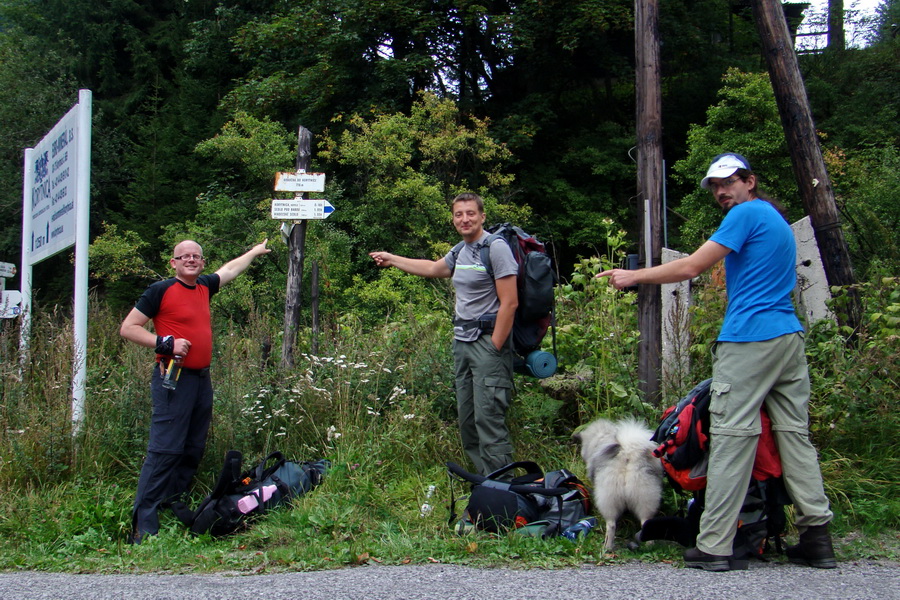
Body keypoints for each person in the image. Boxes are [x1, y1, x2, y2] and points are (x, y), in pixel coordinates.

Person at [597, 153, 835, 571]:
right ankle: (818, 535)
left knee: (730, 438)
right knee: (793, 437)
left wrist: (633, 276)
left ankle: (715, 545)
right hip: (789, 339)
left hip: (750, 340)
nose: (723, 191)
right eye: (716, 186)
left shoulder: (746, 215)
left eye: (730, 182)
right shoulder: (777, 222)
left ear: (750, 182)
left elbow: (692, 265)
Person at [120, 238, 271, 543]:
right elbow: (129, 327)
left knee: (192, 447)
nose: (190, 260)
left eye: (196, 256)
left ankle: (172, 503)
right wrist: (166, 343)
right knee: (165, 450)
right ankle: (143, 523)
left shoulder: (203, 286)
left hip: (201, 379)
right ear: (173, 263)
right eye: (184, 256)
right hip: (173, 379)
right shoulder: (160, 290)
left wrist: (253, 252)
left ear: (202, 263)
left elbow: (229, 270)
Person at [369, 192, 518, 476]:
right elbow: (434, 268)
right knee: (468, 417)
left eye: (471, 213)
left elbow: (510, 302)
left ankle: (503, 487)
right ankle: (484, 480)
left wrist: (496, 345)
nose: (465, 219)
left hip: (487, 343)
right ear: (453, 219)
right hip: (462, 343)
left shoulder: (495, 248)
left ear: (482, 216)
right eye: (459, 214)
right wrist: (392, 259)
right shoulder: (461, 249)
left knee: (489, 418)